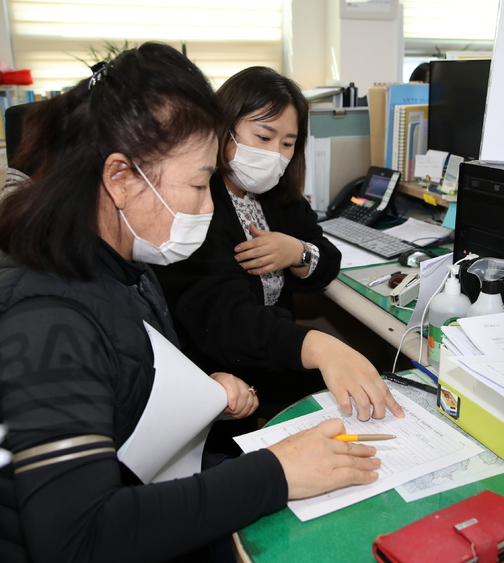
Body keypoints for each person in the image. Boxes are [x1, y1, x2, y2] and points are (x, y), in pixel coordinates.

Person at [0, 43, 381, 563]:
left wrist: (201, 392)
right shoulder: (47, 317)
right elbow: (77, 538)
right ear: (120, 179)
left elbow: (127, 377)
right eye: (200, 183)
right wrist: (275, 472)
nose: (208, 205)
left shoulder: (120, 265)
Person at [152, 66, 405, 424]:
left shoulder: (275, 197)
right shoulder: (198, 202)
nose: (275, 154)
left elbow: (327, 261)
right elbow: (226, 319)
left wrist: (296, 252)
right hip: (221, 373)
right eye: (263, 137)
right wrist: (319, 346)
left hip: (277, 359)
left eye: (287, 144)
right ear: (225, 129)